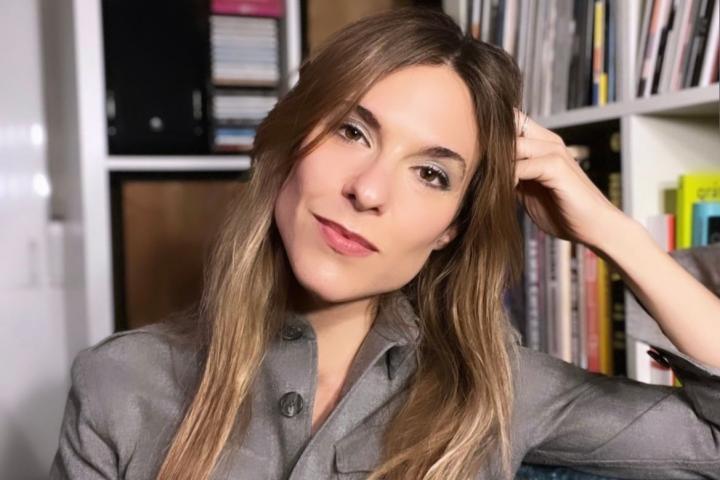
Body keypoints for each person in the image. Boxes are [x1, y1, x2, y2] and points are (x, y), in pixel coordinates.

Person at [49, 6, 720, 480]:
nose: (369, 190)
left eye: (431, 174)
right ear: (292, 144)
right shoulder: (120, 385)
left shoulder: (496, 391)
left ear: (451, 227)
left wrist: (610, 230)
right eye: (352, 132)